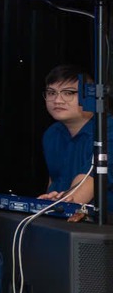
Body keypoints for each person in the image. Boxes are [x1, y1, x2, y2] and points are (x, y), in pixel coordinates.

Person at [40, 65, 98, 205]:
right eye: (51, 93)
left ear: (89, 96)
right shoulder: (52, 133)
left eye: (68, 93)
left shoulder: (106, 131)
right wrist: (48, 202)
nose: (57, 100)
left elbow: (83, 188)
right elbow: (54, 183)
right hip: (61, 213)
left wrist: (51, 206)